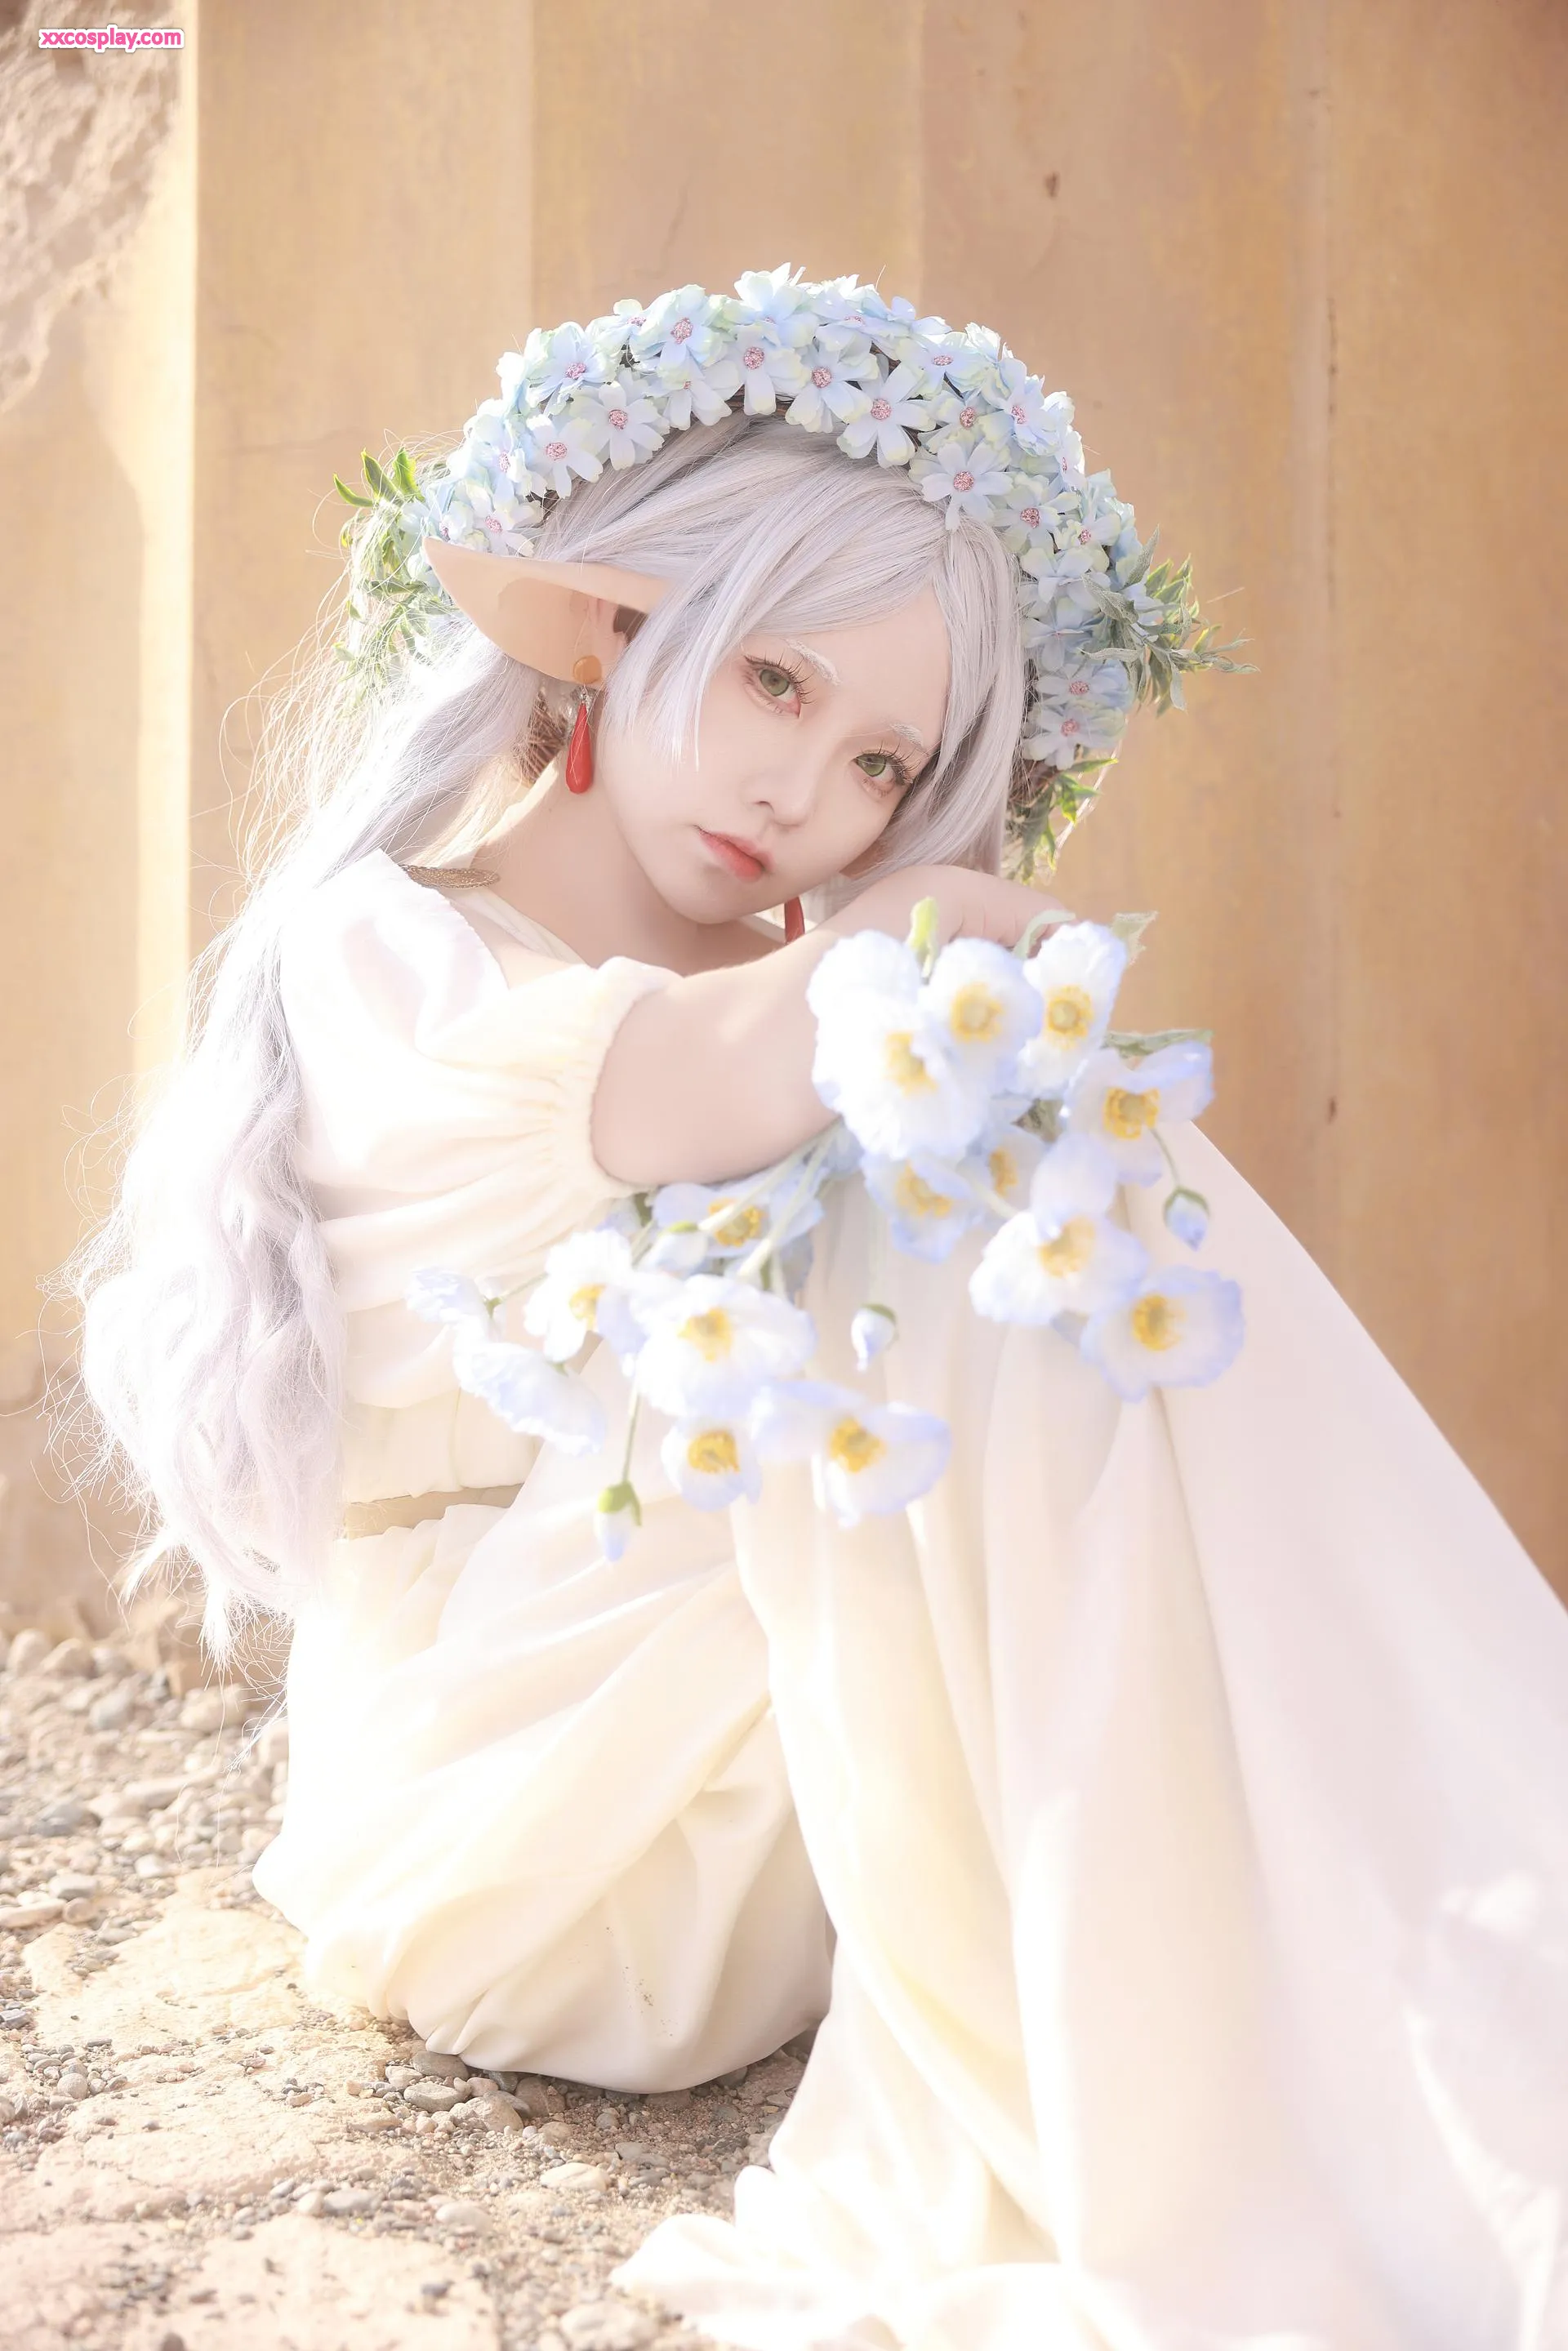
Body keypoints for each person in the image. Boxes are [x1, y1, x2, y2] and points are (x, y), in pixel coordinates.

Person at [64, 276, 1568, 2349]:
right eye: (774, 677)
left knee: (998, 1159)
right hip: (520, 1836)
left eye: (881, 762)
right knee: (945, 1169)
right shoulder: (394, 949)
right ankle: (1297, 2029)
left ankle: (1419, 1943)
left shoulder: (802, 993)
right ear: (616, 630)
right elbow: (700, 1078)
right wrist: (935, 915)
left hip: (776, 1770)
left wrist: (938, 974)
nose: (806, 794)